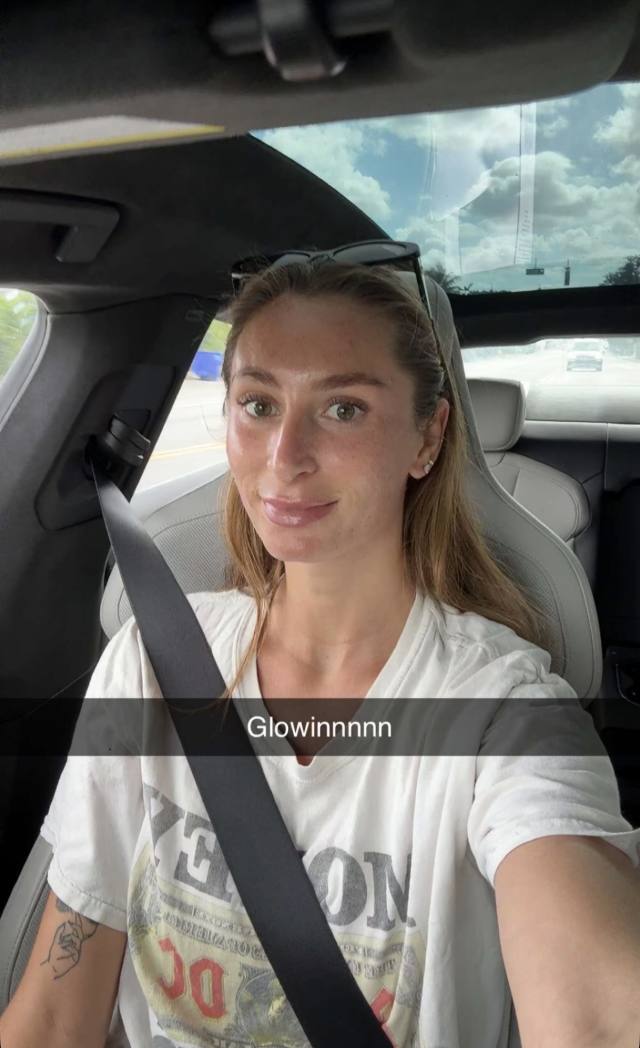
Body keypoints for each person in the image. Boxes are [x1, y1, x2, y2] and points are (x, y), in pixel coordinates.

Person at [1, 260, 639, 1048]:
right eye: (259, 404)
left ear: (427, 436)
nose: (284, 455)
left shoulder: (502, 714)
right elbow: (55, 1011)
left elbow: (596, 1009)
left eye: (343, 408)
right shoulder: (150, 659)